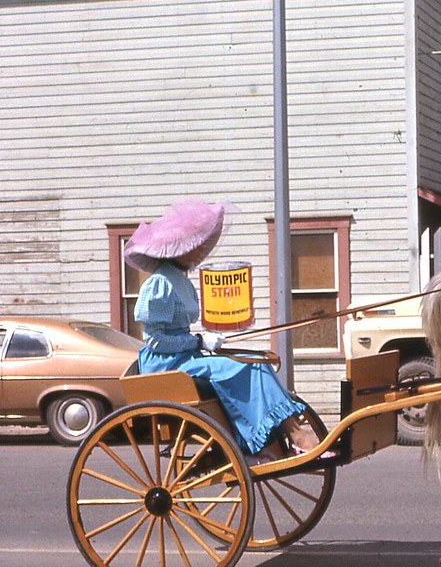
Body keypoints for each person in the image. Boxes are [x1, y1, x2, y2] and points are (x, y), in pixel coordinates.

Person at [124, 197, 318, 463]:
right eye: (193, 245)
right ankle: (287, 438)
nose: (199, 250)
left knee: (258, 361)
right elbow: (156, 341)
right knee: (247, 368)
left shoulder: (180, 280)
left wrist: (200, 342)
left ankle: (275, 439)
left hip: (184, 358)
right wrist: (198, 341)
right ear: (176, 250)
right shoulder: (158, 284)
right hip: (165, 364)